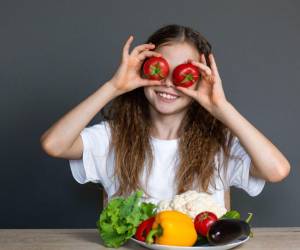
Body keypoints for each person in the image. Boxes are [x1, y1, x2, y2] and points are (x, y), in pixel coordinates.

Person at [40, 24, 290, 210]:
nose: (169, 83)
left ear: (200, 78)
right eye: (158, 68)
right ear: (142, 68)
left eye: (184, 73)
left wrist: (221, 107)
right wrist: (114, 86)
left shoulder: (218, 144)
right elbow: (54, 144)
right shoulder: (112, 137)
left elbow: (277, 170)